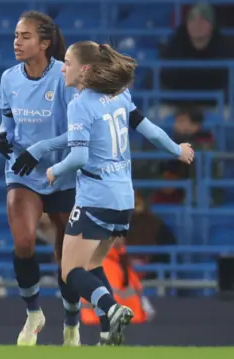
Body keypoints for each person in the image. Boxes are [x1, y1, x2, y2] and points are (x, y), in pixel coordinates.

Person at [44, 41, 193, 345]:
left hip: (95, 197)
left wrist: (54, 171)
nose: (63, 68)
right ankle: (107, 332)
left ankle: (111, 309)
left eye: (68, 63)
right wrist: (177, 149)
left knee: (69, 271)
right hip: (123, 199)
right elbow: (149, 129)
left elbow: (78, 158)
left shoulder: (80, 104)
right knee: (94, 265)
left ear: (84, 70)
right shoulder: (119, 95)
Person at [0, 10, 80, 346]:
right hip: (24, 172)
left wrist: (41, 149)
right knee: (24, 243)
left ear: (45, 43)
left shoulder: (64, 76)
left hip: (62, 173)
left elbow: (77, 132)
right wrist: (3, 135)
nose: (17, 42)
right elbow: (8, 120)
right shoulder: (8, 78)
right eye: (16, 35)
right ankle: (33, 313)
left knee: (66, 257)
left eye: (25, 36)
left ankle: (71, 322)